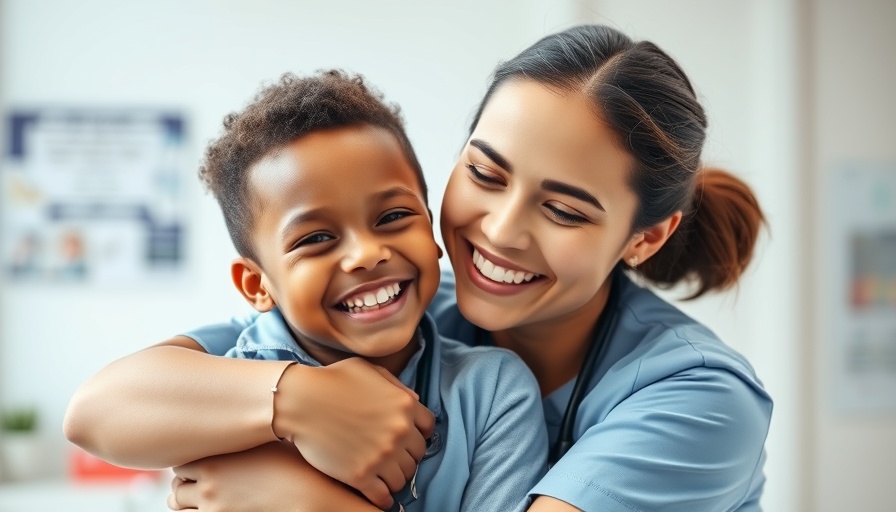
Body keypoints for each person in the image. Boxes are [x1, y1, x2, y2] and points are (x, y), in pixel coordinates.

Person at [65, 24, 773, 512]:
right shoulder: (394, 312)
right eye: (486, 174)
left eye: (563, 211)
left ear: (644, 240)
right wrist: (297, 400)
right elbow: (102, 406)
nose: (499, 231)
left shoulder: (701, 399)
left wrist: (301, 499)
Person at [66, 69, 549, 512]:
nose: (366, 253)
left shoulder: (492, 392)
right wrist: (294, 401)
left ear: (432, 231)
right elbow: (91, 416)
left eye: (394, 217)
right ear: (257, 285)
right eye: (316, 238)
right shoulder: (227, 373)